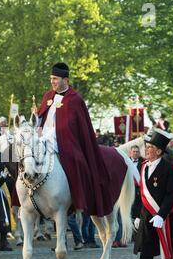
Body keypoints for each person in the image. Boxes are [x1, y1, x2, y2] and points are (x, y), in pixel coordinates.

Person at [35, 62, 126, 217]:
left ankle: (76, 201)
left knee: (75, 160)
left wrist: (53, 133)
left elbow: (73, 127)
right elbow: (40, 116)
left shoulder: (75, 99)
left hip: (66, 142)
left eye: (55, 79)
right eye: (51, 78)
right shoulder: (48, 96)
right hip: (43, 138)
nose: (52, 82)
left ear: (65, 80)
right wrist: (38, 125)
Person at [127, 129, 173, 259]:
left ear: (159, 151)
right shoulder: (144, 165)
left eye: (150, 146)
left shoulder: (170, 168)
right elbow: (142, 193)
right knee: (145, 251)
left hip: (166, 216)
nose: (147, 149)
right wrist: (138, 214)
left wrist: (161, 214)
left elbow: (171, 194)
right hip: (147, 216)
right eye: (147, 145)